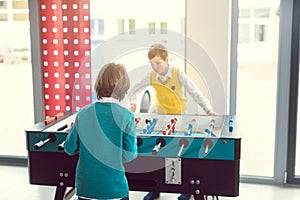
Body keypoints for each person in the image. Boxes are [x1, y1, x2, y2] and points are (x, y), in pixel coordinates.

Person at [128, 44, 214, 200]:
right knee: (156, 155)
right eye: (152, 64)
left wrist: (208, 109)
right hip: (161, 118)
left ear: (167, 60)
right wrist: (133, 102)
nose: (155, 67)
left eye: (158, 63)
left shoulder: (178, 74)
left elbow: (196, 93)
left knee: (182, 154)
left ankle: (186, 190)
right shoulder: (151, 76)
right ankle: (155, 188)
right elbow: (134, 90)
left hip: (180, 118)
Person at [64, 63, 138, 200]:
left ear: (99, 85)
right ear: (123, 89)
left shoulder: (83, 113)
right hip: (114, 190)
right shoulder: (126, 116)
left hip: (85, 189)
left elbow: (69, 148)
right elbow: (130, 155)